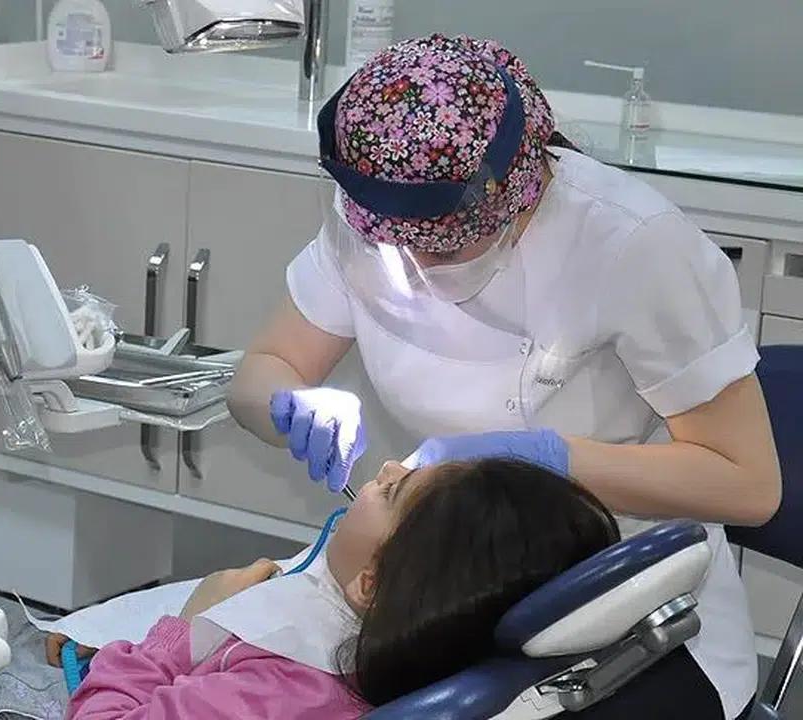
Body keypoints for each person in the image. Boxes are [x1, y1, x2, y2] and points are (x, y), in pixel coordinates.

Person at [227, 33, 781, 720]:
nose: (416, 262)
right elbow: (263, 370)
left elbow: (749, 485)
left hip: (624, 608)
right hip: (453, 601)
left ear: (516, 192)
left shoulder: (632, 244)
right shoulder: (376, 213)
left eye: (443, 244)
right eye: (395, 241)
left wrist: (551, 457)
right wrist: (289, 403)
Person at [59, 458, 620, 718]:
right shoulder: (428, 646)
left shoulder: (283, 692)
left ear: (369, 587)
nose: (387, 466)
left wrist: (173, 639)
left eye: (394, 491)